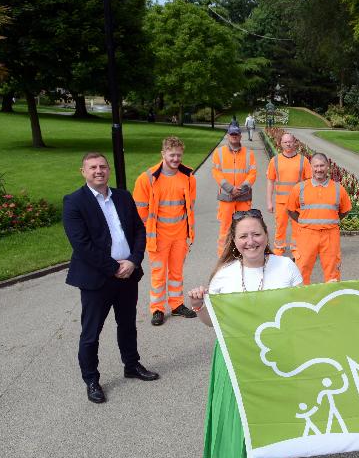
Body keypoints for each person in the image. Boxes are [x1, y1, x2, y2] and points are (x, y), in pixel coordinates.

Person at [188, 209, 303, 458]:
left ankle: (268, 456)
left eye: (256, 234)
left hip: (274, 351)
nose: (251, 241)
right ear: (234, 241)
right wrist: (199, 305)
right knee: (240, 414)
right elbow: (211, 322)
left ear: (266, 235)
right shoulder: (224, 275)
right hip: (235, 354)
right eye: (243, 236)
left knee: (268, 408)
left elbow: (299, 312)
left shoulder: (286, 267)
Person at [63, 152, 159, 404]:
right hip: (97, 280)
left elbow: (139, 231)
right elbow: (81, 244)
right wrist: (113, 267)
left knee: (127, 324)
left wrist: (133, 261)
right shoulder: (74, 202)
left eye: (102, 166)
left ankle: (131, 364)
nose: (98, 171)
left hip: (128, 275)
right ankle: (91, 379)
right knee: (91, 332)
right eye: (92, 167)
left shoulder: (124, 196)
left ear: (108, 170)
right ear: (83, 171)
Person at [133, 136, 198, 326]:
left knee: (177, 272)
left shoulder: (188, 177)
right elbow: (140, 211)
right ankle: (158, 309)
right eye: (172, 155)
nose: (175, 159)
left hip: (179, 235)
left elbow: (189, 207)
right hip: (158, 237)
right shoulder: (147, 179)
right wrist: (147, 232)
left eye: (178, 155)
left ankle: (176, 305)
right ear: (163, 154)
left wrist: (188, 234)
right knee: (159, 274)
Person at [286, 152, 352, 284]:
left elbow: (344, 211)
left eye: (322, 165)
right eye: (316, 166)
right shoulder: (300, 188)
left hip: (330, 235)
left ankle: (333, 302)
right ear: (311, 167)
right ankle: (303, 300)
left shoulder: (339, 189)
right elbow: (290, 210)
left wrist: (330, 220)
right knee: (302, 269)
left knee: (333, 271)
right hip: (306, 235)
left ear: (328, 166)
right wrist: (303, 221)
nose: (319, 169)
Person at [211, 124, 257, 257]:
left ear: (240, 136)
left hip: (243, 197)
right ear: (228, 135)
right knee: (225, 227)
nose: (234, 136)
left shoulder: (249, 153)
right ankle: (223, 255)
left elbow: (253, 173)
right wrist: (230, 189)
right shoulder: (218, 152)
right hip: (227, 197)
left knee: (243, 227)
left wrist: (242, 189)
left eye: (236, 134)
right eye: (232, 134)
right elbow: (216, 173)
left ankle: (241, 253)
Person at [265, 133, 312, 256]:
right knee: (280, 227)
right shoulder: (274, 161)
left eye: (290, 141)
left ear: (295, 142)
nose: (288, 144)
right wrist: (269, 202)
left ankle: (296, 251)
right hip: (281, 202)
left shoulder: (304, 161)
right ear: (280, 144)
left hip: (298, 203)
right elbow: (270, 182)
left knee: (298, 227)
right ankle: (278, 250)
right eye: (285, 142)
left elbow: (309, 183)